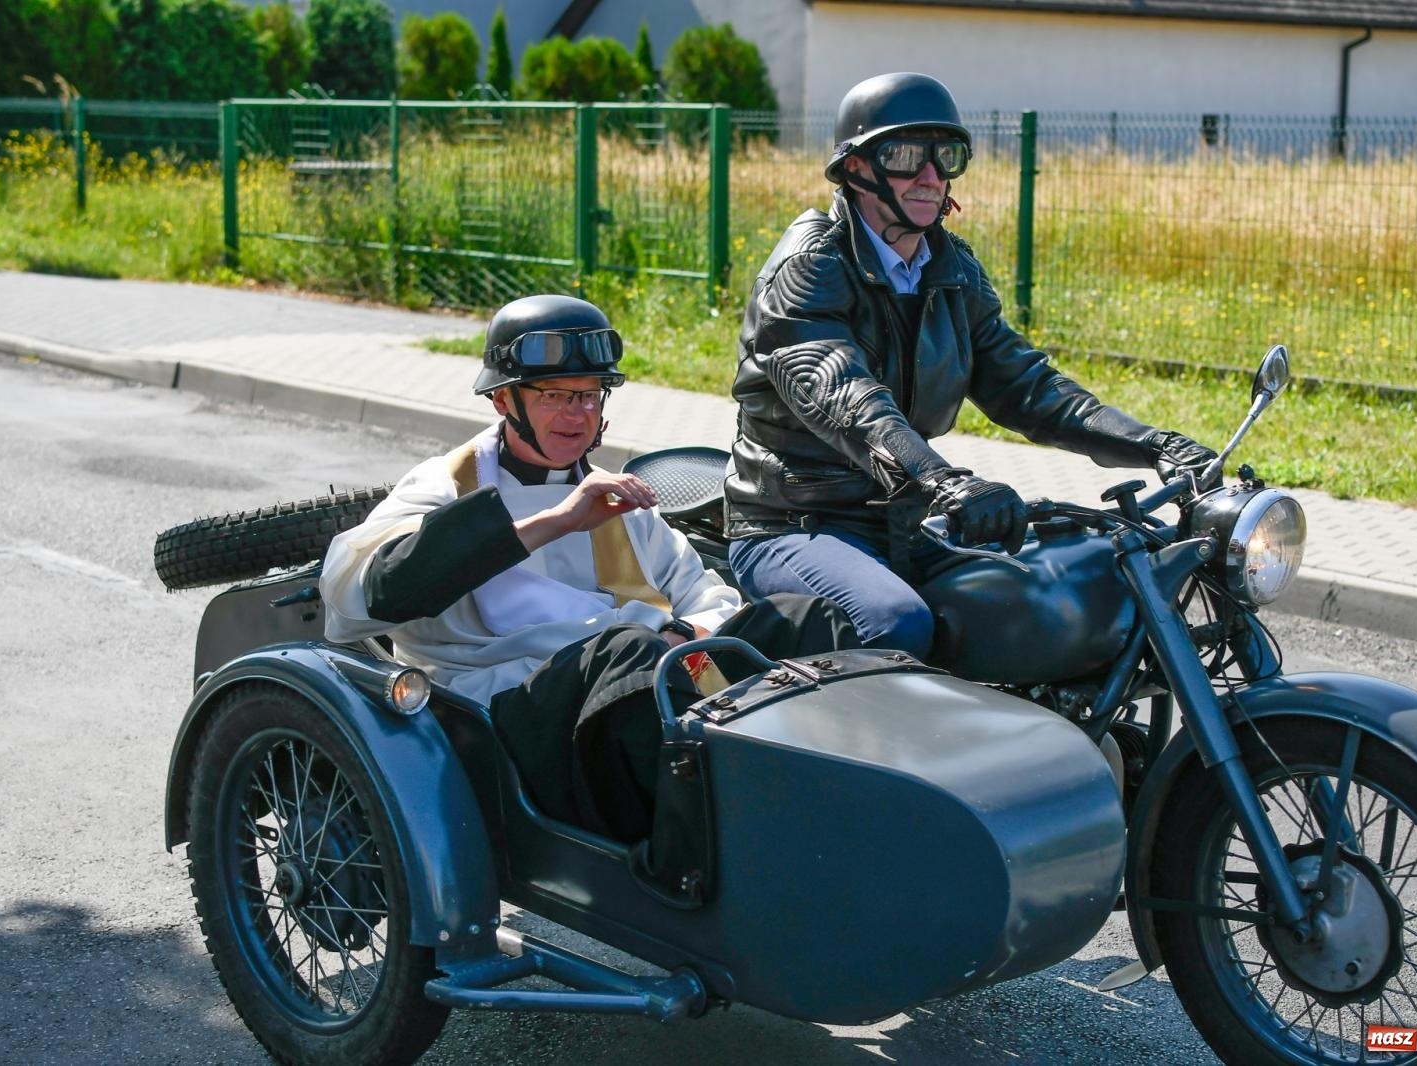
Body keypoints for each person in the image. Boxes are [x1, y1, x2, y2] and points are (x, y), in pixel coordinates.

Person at [320, 294, 855, 843]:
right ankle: (698, 848)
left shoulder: (612, 496)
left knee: (805, 619)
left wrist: (686, 633)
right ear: (503, 400)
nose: (577, 414)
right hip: (503, 707)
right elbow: (362, 597)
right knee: (630, 649)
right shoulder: (444, 484)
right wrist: (557, 521)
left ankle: (836, 800)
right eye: (554, 395)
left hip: (637, 674)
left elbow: (700, 591)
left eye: (590, 396)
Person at [725, 72, 1218, 661]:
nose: (931, 176)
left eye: (946, 156)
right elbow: (846, 400)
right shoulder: (809, 267)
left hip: (900, 521)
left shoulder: (950, 267)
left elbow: (1028, 386)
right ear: (854, 167)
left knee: (1051, 602)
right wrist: (947, 482)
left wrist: (1155, 445)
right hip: (794, 524)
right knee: (893, 623)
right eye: (906, 155)